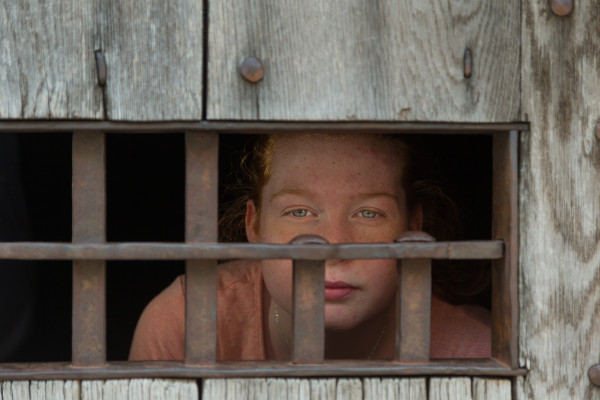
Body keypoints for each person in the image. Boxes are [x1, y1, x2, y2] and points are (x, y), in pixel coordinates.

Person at [129, 133, 491, 361]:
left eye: (369, 213)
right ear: (254, 225)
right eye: (299, 211)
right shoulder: (186, 323)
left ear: (413, 227)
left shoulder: (475, 351)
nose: (331, 246)